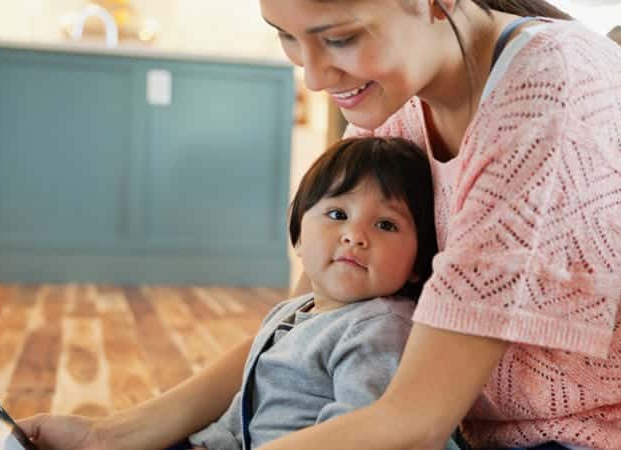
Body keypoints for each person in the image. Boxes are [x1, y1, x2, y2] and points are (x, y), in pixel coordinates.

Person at [20, 1, 621, 449]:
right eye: (287, 37)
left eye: (338, 37)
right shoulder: (400, 109)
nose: (312, 76)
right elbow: (318, 316)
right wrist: (111, 435)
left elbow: (413, 423)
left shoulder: (554, 101)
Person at [171, 136, 443, 450]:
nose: (355, 236)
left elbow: (360, 430)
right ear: (298, 237)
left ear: (417, 265)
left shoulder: (378, 328)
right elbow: (246, 403)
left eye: (385, 224)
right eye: (338, 215)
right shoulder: (290, 312)